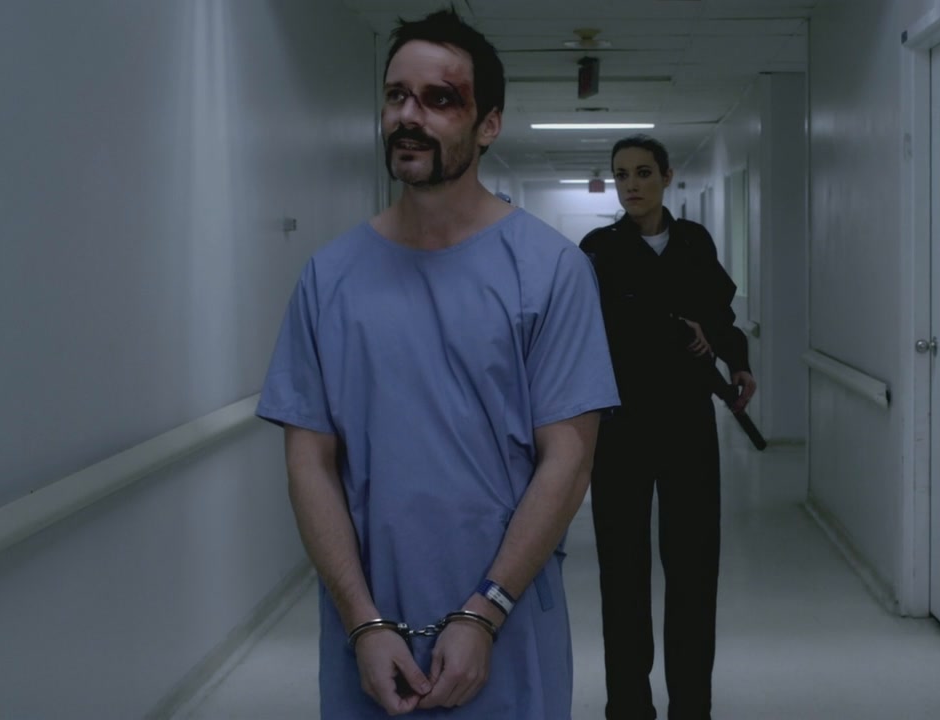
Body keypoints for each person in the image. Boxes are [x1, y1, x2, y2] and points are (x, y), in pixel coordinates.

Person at [255, 9, 620, 718]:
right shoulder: (330, 279)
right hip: (370, 640)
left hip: (506, 629)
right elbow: (309, 462)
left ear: (488, 125)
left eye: (439, 99)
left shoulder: (549, 272)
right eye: (396, 95)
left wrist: (486, 611)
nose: (408, 116)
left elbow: (569, 460)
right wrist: (362, 621)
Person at [579, 135, 757, 720]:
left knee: (693, 571)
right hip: (621, 427)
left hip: (686, 424)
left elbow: (720, 314)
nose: (631, 185)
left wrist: (737, 359)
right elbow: (587, 329)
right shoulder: (599, 250)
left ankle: (691, 706)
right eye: (621, 175)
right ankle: (628, 705)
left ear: (666, 177)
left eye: (643, 173)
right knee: (622, 574)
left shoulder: (693, 243)